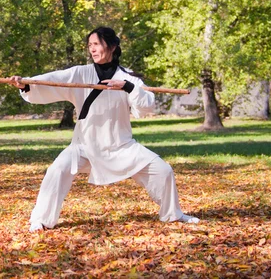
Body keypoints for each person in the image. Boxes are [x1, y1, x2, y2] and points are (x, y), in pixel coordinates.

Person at [10, 26, 200, 232]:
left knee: (163, 171)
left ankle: (173, 214)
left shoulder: (130, 78)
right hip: (84, 146)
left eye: (96, 44)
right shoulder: (80, 73)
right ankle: (41, 220)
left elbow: (146, 106)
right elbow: (53, 81)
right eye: (90, 45)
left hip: (121, 145)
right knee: (57, 171)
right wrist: (26, 85)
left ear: (112, 46)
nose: (92, 49)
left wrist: (127, 87)